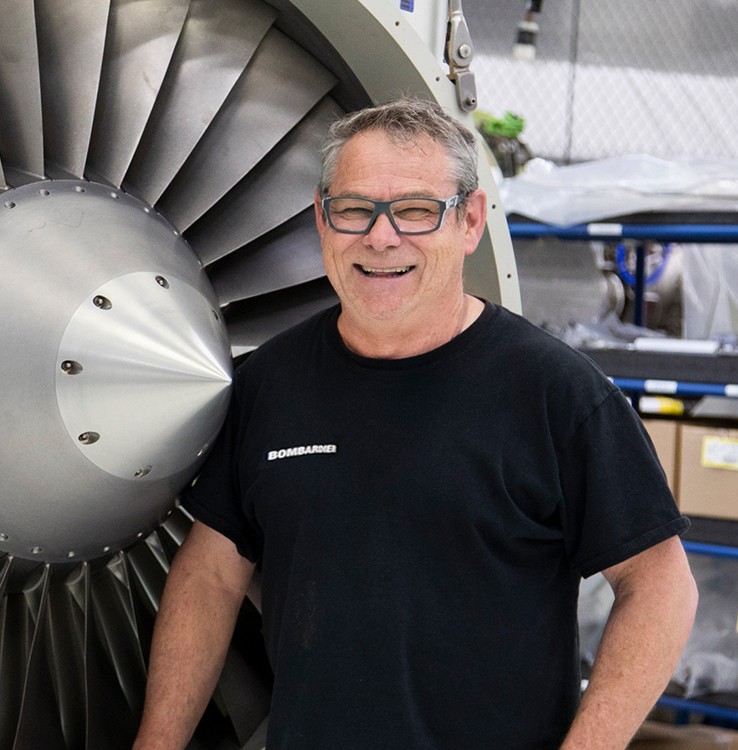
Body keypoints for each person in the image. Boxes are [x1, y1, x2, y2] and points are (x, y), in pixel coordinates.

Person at [133, 96, 697, 750]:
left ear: (471, 222)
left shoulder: (556, 395)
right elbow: (210, 574)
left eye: (416, 211)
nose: (380, 237)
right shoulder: (271, 383)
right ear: (322, 219)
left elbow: (659, 585)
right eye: (354, 210)